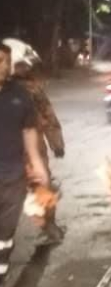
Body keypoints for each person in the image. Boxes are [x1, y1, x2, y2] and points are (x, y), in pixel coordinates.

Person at [0, 43, 50, 287]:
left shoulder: (19, 95)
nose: (4, 66)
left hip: (12, 175)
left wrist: (38, 164)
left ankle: (0, 273)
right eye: (0, 61)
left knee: (5, 231)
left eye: (6, 62)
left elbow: (29, 131)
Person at [13, 56, 65, 244]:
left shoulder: (32, 89)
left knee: (38, 186)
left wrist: (56, 142)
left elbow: (48, 115)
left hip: (31, 146)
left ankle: (50, 227)